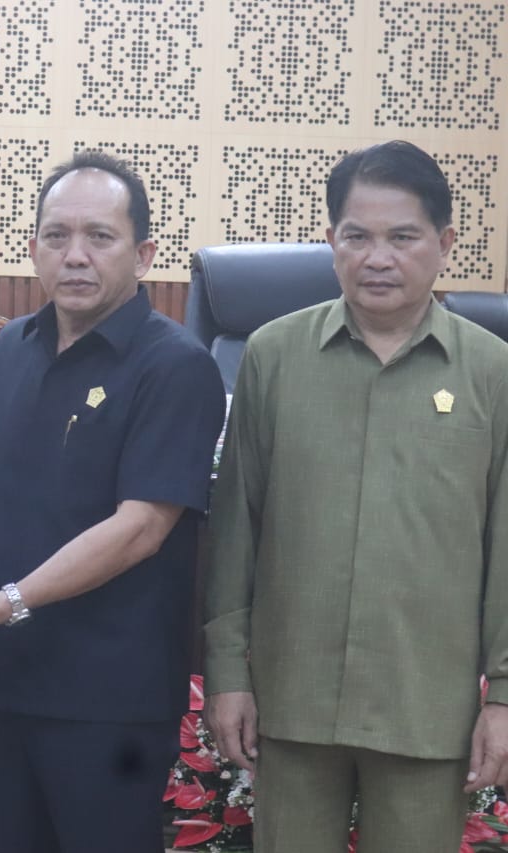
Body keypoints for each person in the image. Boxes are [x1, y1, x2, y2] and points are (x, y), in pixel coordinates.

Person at [0, 151, 226, 853]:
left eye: (99, 237)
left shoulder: (175, 365)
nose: (75, 255)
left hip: (112, 698)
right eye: (56, 235)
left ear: (143, 253)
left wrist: (5, 601)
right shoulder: (13, 346)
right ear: (34, 246)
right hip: (11, 681)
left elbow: (141, 528)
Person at [203, 140, 508, 853]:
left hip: (425, 704)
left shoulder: (494, 371)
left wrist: (502, 695)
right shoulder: (272, 356)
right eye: (356, 236)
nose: (378, 257)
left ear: (445, 243)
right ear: (331, 241)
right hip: (292, 698)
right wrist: (226, 673)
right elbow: (234, 530)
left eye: (402, 237)